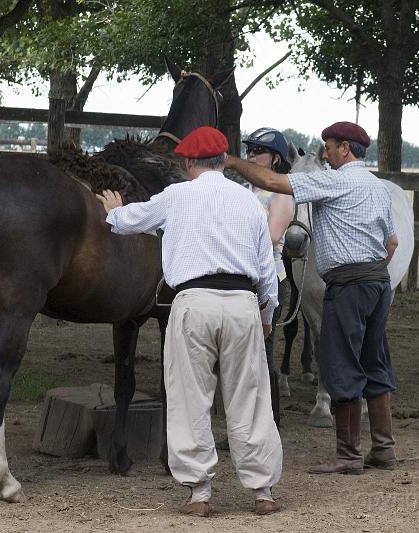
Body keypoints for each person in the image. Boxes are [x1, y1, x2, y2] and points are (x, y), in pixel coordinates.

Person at [96, 126, 283, 516]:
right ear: (222, 161)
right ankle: (262, 490)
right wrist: (266, 312)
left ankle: (199, 493)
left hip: (193, 302)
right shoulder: (249, 202)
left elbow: (131, 221)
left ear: (187, 163)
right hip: (241, 302)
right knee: (250, 395)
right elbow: (266, 268)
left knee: (190, 396)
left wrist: (113, 211)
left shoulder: (176, 196)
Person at [225, 121, 399, 476]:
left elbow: (273, 182)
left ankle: (349, 455)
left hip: (348, 286)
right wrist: (371, 270)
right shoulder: (378, 188)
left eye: (330, 147)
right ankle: (384, 448)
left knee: (341, 364)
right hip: (377, 283)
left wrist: (230, 161)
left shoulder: (333, 181)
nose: (325, 153)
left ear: (345, 149)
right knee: (374, 360)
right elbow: (392, 242)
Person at [242, 127, 295, 415]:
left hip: (268, 277)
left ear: (275, 159)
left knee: (262, 354)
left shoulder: (281, 193)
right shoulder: (241, 190)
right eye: (249, 150)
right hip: (240, 277)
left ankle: (270, 420)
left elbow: (273, 236)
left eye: (258, 151)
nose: (251, 155)